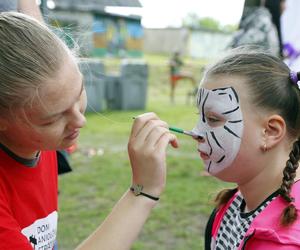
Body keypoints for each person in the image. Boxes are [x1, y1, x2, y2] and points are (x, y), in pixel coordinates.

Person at [0, 12, 178, 250]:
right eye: (53, 118)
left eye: (79, 92)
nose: (80, 120)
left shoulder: (40, 142)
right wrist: (143, 192)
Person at [190, 48, 300, 249]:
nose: (196, 132)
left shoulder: (283, 242)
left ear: (270, 131)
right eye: (200, 116)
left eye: (213, 119)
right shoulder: (236, 202)